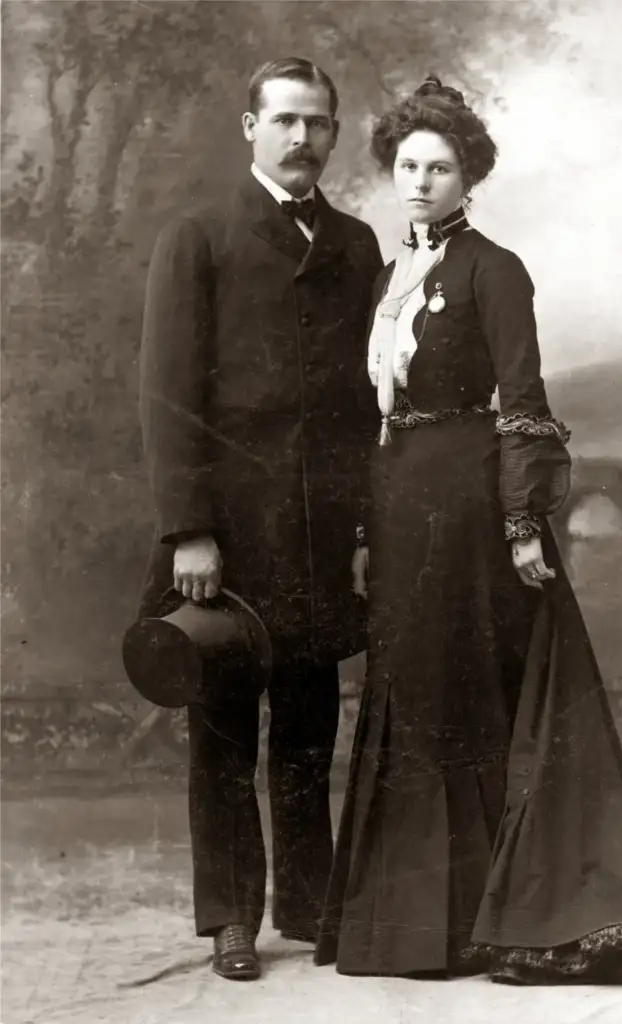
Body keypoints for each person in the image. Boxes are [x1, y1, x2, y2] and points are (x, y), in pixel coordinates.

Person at [315, 76, 622, 984]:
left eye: (441, 167)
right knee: (417, 690)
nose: (422, 181)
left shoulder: (495, 269)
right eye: (408, 166)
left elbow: (522, 403)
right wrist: (366, 522)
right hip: (401, 504)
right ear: (391, 173)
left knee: (473, 694)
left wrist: (523, 522)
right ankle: (415, 925)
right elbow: (375, 416)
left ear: (468, 175)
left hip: (474, 506)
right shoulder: (389, 273)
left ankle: (513, 918)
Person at [138, 57, 382, 981]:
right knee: (226, 731)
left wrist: (364, 534)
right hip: (229, 541)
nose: (300, 139)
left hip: (321, 537)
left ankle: (311, 903)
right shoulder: (198, 239)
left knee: (311, 726)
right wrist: (189, 528)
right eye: (282, 120)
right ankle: (232, 916)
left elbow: (365, 409)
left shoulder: (356, 246)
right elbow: (168, 399)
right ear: (249, 127)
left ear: (333, 134)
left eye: (317, 124)